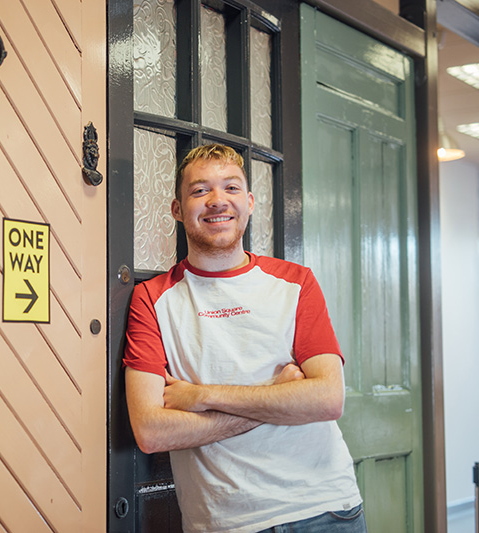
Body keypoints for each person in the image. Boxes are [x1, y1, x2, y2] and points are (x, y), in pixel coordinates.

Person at [123, 143, 365, 532]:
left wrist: (202, 396)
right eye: (200, 191)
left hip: (323, 510)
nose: (218, 201)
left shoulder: (296, 283)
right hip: (223, 522)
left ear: (249, 203)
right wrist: (278, 395)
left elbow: (327, 399)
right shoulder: (152, 298)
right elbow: (152, 431)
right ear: (177, 209)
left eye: (231, 188)